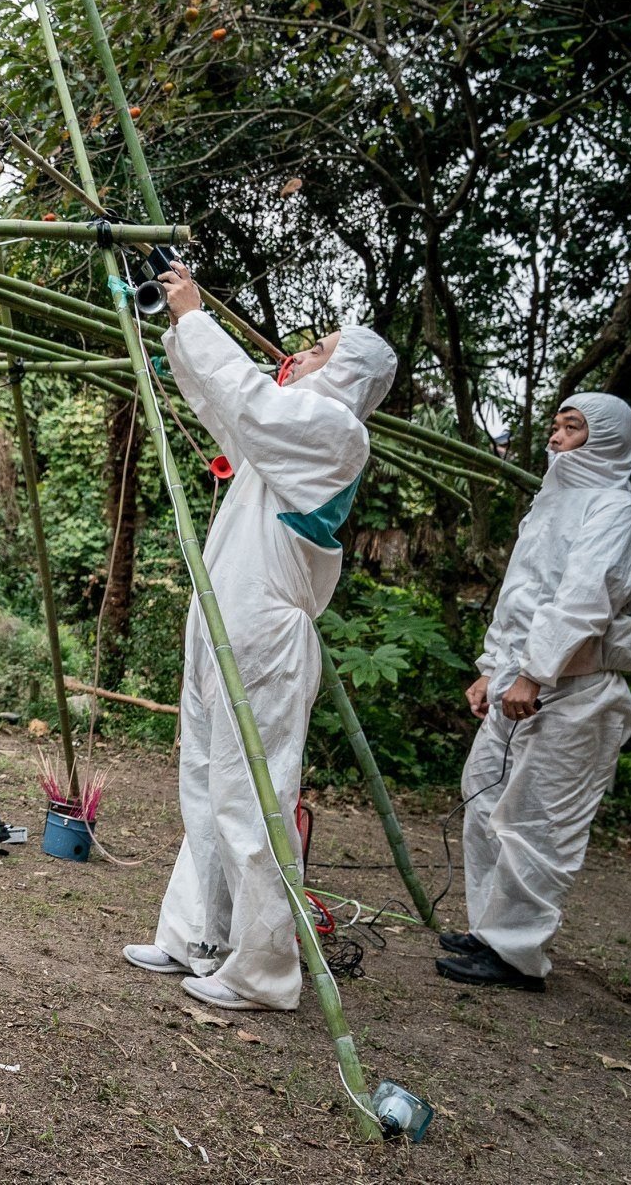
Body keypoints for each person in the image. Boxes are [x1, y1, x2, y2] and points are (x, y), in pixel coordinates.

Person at [122, 264, 399, 1012]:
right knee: (207, 787)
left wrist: (196, 318)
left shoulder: (336, 432)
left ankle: (264, 970)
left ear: (347, 374)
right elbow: (228, 410)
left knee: (252, 799)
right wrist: (182, 332)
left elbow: (248, 402)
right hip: (223, 621)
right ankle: (197, 937)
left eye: (321, 350)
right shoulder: (288, 430)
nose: (302, 353)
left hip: (266, 635)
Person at [440, 394, 631, 990]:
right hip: (520, 683)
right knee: (484, 801)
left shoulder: (620, 512)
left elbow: (582, 599)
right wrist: (494, 668)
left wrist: (536, 673)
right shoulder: (548, 506)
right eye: (556, 426)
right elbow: (522, 595)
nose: (557, 438)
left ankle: (517, 954)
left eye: (574, 428)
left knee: (539, 821)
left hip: (575, 690)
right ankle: (487, 930)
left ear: (608, 440)